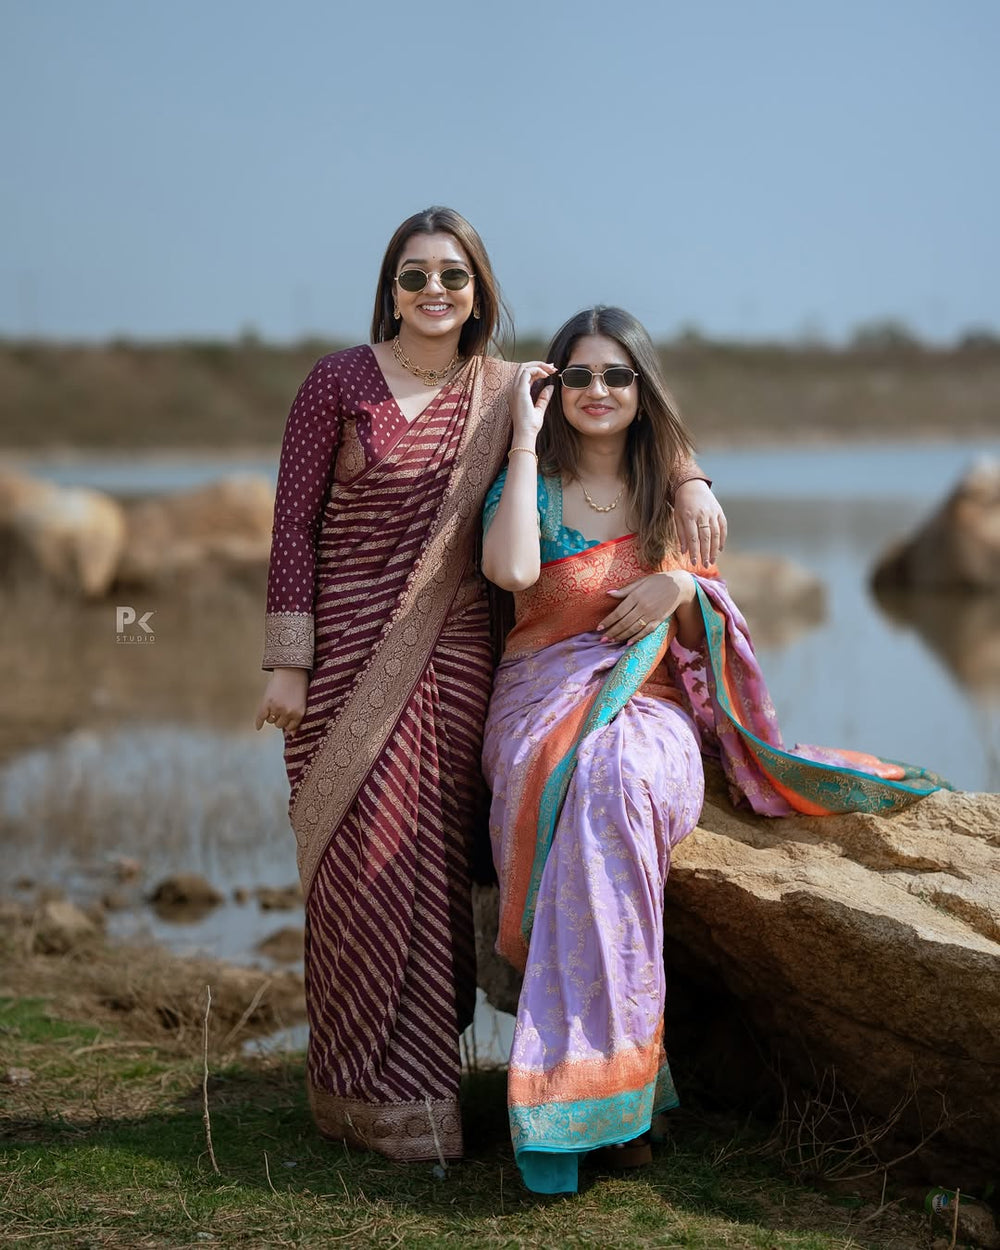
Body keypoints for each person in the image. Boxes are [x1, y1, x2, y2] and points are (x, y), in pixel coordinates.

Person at [254, 211, 728, 1163]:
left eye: (455, 277)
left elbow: (631, 409)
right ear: (390, 287)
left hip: (460, 659)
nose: (436, 293)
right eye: (416, 275)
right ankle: (354, 1092)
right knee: (356, 868)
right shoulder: (336, 383)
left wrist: (691, 484)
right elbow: (292, 526)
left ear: (481, 294)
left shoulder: (512, 387)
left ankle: (429, 1102)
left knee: (429, 869)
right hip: (342, 654)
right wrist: (287, 661)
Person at [481, 305, 948, 1195]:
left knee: (616, 779)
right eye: (577, 376)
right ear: (557, 389)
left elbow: (713, 625)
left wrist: (674, 586)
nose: (597, 391)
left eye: (618, 376)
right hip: (539, 702)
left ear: (644, 391)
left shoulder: (670, 497)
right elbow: (510, 576)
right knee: (580, 777)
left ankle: (603, 1089)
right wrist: (520, 436)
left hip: (652, 704)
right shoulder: (531, 488)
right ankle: (613, 1093)